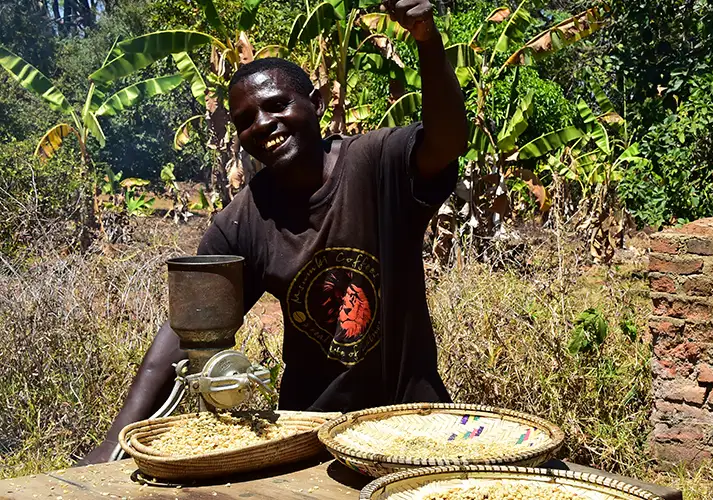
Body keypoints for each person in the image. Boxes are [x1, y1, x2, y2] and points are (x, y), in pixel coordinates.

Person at [78, 0, 467, 465]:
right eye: (245, 120)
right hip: (313, 437)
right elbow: (187, 331)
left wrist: (427, 40)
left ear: (317, 104)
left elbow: (447, 141)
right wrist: (115, 444)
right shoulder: (242, 222)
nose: (262, 125)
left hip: (413, 420)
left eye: (277, 105)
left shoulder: (377, 162)